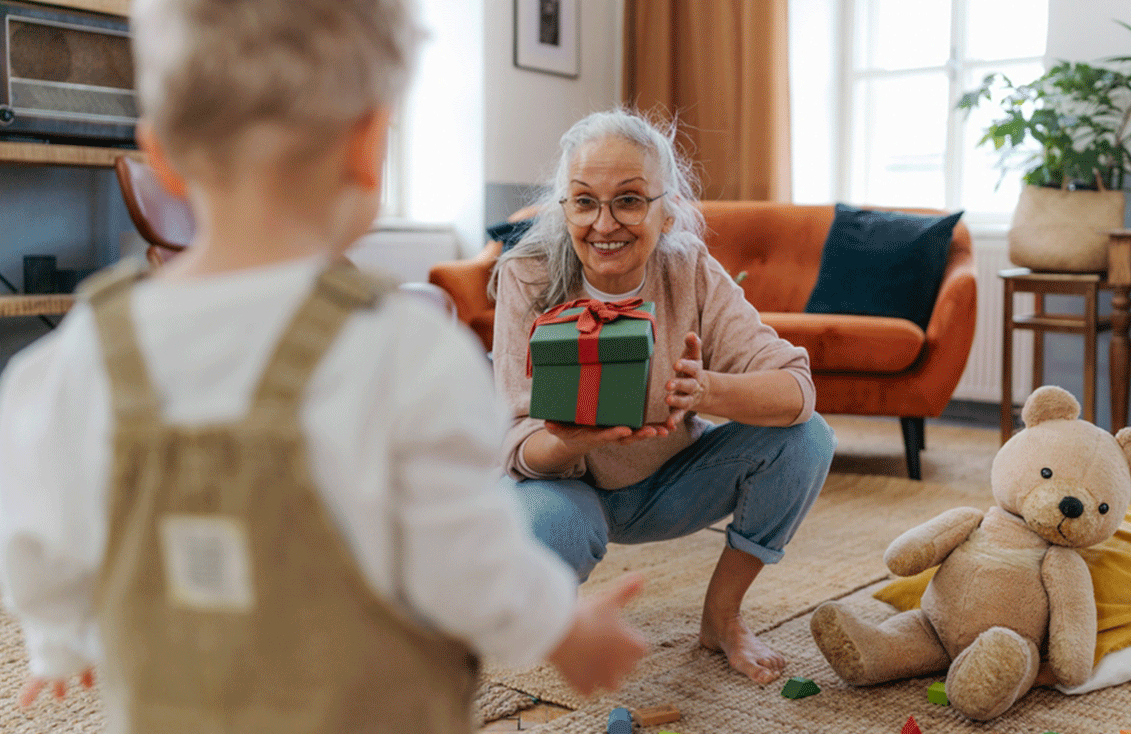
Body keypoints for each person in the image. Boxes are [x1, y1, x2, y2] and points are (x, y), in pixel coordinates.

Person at [0, 0, 645, 730]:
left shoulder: (71, 359)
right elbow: (466, 556)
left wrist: (59, 636)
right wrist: (561, 627)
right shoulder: (408, 354)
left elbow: (33, 535)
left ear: (163, 156)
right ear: (369, 145)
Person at [490, 108, 837, 685]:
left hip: (672, 482)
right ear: (564, 208)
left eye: (628, 200)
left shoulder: (690, 269)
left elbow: (797, 391)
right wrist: (562, 442)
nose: (604, 224)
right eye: (583, 201)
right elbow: (514, 443)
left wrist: (708, 388)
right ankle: (560, 625)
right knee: (545, 533)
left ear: (667, 208)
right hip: (563, 488)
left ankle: (721, 618)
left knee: (808, 440)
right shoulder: (527, 275)